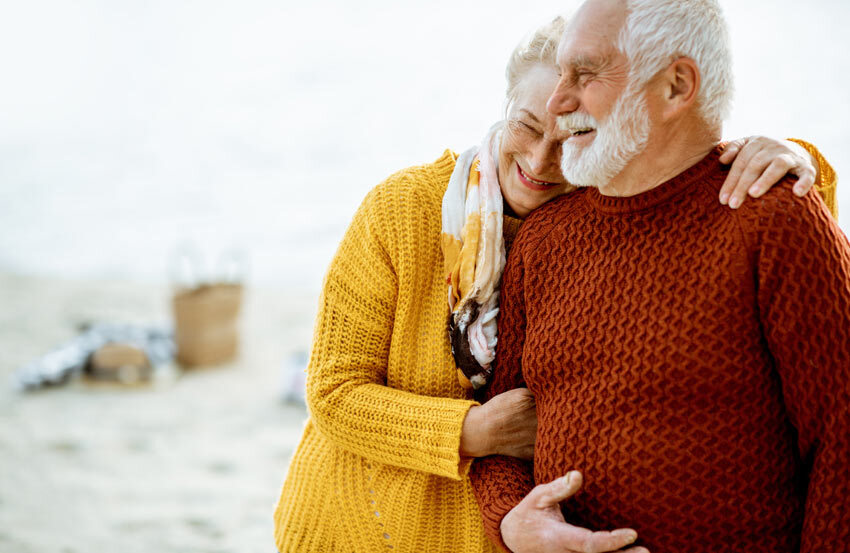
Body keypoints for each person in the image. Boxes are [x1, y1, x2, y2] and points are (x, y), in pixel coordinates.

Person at [272, 14, 838, 553]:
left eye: (569, 135)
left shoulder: (590, 218)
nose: (542, 160)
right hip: (357, 524)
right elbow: (333, 391)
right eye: (527, 125)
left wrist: (794, 155)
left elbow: (687, 170)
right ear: (505, 106)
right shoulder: (404, 209)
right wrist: (473, 431)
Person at [469, 1, 849, 552]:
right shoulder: (544, 240)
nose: (559, 100)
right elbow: (504, 434)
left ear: (675, 86)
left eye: (587, 73)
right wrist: (511, 521)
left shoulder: (775, 220)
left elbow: (842, 440)